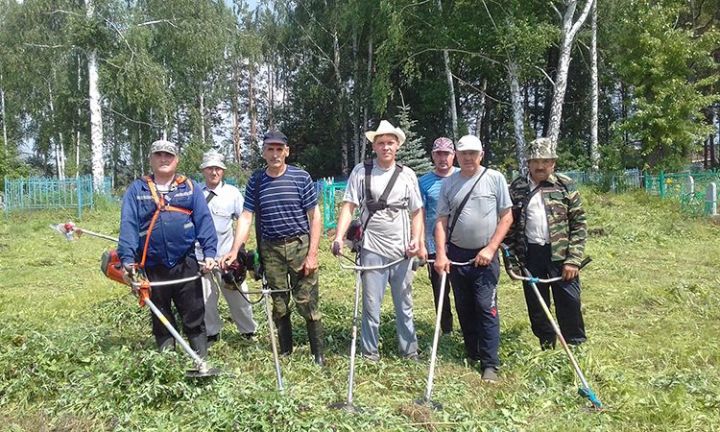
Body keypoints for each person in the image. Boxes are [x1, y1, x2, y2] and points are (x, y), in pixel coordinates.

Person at [221, 131, 324, 366]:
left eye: (280, 149)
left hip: (300, 246)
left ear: (287, 151)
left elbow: (314, 217)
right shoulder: (257, 181)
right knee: (278, 302)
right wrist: (235, 249)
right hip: (271, 250)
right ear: (263, 152)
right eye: (270, 149)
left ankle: (317, 356)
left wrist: (313, 254)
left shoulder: (301, 177)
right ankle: (286, 353)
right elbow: (246, 217)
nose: (275, 154)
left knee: (307, 300)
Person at [332, 120, 425, 362]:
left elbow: (417, 212)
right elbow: (349, 206)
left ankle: (409, 350)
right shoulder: (361, 171)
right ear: (374, 146)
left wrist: (416, 240)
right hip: (372, 248)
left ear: (397, 146)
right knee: (371, 305)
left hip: (402, 249)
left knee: (404, 304)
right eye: (381, 143)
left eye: (390, 143)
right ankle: (369, 353)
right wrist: (340, 237)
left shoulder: (407, 175)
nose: (386, 147)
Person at [117, 140, 217, 358]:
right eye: (159, 155)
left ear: (176, 160)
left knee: (194, 311)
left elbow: (204, 221)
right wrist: (127, 259)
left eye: (168, 156)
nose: (164, 159)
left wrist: (210, 253)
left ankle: (200, 357)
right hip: (153, 264)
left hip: (185, 263)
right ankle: (167, 360)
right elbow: (128, 225)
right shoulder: (137, 189)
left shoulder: (189, 187)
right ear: (151, 159)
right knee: (160, 313)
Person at [433, 135, 513, 383]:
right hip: (457, 255)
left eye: (472, 153)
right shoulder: (449, 184)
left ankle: (490, 363)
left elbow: (507, 216)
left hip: (485, 256)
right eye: (463, 153)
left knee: (486, 307)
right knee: (464, 306)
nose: (468, 157)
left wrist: (490, 248)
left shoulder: (494, 178)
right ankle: (472, 351)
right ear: (457, 155)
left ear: (482, 154)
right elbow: (440, 221)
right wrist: (442, 254)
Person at [506, 137, 587, 350]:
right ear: (528, 163)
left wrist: (574, 259)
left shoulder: (564, 185)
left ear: (553, 162)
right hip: (531, 255)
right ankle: (547, 345)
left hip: (561, 256)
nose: (540, 166)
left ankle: (575, 347)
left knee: (569, 302)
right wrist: (513, 261)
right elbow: (508, 226)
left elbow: (579, 223)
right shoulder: (517, 187)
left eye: (545, 161)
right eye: (535, 161)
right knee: (537, 305)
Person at [197, 150, 257, 344]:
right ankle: (211, 334)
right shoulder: (195, 194)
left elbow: (244, 220)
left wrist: (236, 251)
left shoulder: (232, 194)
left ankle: (248, 332)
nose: (213, 172)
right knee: (206, 300)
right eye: (209, 168)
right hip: (201, 258)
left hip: (227, 257)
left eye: (217, 169)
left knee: (239, 297)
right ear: (203, 171)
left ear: (222, 171)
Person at [418, 137, 458, 335]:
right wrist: (422, 243)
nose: (443, 158)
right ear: (433, 155)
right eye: (439, 154)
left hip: (461, 243)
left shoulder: (463, 176)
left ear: (454, 156)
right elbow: (420, 215)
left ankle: (469, 326)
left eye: (447, 154)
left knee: (464, 288)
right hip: (435, 245)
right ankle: (446, 328)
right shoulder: (424, 182)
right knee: (440, 288)